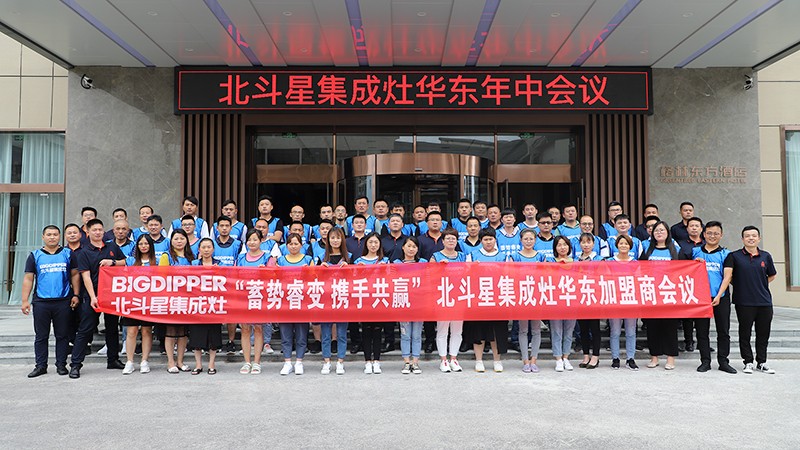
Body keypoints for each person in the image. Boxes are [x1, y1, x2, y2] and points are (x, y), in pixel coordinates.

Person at [715, 226, 777, 374]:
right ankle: (748, 361)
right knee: (745, 334)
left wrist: (759, 284)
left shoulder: (766, 256)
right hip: (744, 302)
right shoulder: (734, 256)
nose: (751, 238)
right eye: (747, 236)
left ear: (759, 238)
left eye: (754, 236)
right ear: (742, 239)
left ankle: (761, 362)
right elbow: (729, 277)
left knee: (763, 334)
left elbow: (772, 275)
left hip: (764, 302)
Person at [69, 218, 127, 379]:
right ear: (87, 232)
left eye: (100, 229)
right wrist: (93, 297)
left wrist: (112, 262)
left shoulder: (112, 246)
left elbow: (125, 262)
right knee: (86, 328)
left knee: (112, 328)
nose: (98, 232)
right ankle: (75, 364)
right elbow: (85, 277)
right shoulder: (84, 252)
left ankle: (113, 359)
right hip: (92, 295)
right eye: (94, 230)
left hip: (111, 293)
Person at [21, 225, 76, 378]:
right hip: (41, 302)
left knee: (62, 335)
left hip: (63, 300)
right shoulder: (35, 255)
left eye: (55, 234)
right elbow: (28, 278)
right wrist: (24, 300)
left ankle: (61, 365)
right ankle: (40, 366)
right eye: (49, 234)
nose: (52, 237)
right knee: (41, 336)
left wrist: (76, 295)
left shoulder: (68, 254)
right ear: (43, 237)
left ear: (60, 236)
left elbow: (75, 275)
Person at [693, 221, 737, 374]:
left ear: (721, 235)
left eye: (716, 233)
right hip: (700, 298)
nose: (712, 236)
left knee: (723, 330)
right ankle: (705, 361)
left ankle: (723, 361)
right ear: (704, 234)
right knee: (701, 331)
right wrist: (693, 263)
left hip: (721, 297)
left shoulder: (726, 254)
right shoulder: (695, 252)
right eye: (709, 233)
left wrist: (718, 295)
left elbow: (727, 277)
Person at [465, 228, 507, 372]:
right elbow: (466, 275)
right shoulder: (472, 256)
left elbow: (508, 275)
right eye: (485, 239)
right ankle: (479, 360)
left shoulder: (503, 256)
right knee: (479, 331)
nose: (488, 242)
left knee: (496, 331)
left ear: (495, 240)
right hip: (479, 298)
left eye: (491, 239)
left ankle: (497, 360)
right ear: (481, 241)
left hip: (498, 298)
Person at [640, 221, 680, 370]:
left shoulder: (675, 249)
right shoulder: (647, 249)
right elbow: (640, 268)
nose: (659, 233)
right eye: (656, 230)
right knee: (653, 327)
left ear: (668, 233)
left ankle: (670, 358)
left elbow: (684, 268)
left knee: (670, 327)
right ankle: (654, 357)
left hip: (669, 293)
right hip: (651, 293)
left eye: (662, 230)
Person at [235, 229, 273, 374]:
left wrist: (266, 272)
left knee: (258, 328)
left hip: (260, 297)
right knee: (245, 329)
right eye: (249, 240)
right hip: (244, 297)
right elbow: (234, 276)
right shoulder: (241, 258)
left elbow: (274, 277)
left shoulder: (267, 257)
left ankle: (257, 362)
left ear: (261, 241)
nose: (252, 242)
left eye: (255, 239)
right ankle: (246, 362)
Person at [276, 233, 314, 376]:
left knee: (301, 334)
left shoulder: (308, 259)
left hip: (302, 302)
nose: (293, 246)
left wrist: (308, 272)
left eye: (296, 243)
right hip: (285, 303)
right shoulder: (281, 260)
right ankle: (287, 362)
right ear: (286, 246)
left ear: (301, 245)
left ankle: (299, 361)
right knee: (285, 334)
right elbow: (275, 279)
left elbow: (314, 279)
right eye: (290, 244)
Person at [509, 228, 546, 373]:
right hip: (522, 296)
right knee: (523, 330)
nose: (528, 241)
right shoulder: (514, 256)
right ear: (521, 240)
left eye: (531, 239)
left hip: (536, 296)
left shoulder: (541, 256)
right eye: (525, 239)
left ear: (535, 240)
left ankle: (534, 360)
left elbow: (545, 276)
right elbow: (511, 275)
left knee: (536, 330)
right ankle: (525, 360)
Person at [158, 229, 194, 373]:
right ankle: (170, 362)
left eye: (182, 238)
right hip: (171, 298)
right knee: (171, 332)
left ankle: (180, 361)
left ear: (186, 240)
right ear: (171, 241)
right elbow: (161, 278)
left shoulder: (191, 257)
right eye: (176, 239)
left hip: (188, 299)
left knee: (183, 332)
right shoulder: (166, 256)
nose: (179, 241)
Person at [120, 235, 156, 375]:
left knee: (146, 331)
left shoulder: (157, 261)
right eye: (141, 244)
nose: (143, 246)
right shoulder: (130, 261)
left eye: (146, 243)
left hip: (149, 301)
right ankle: (130, 361)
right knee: (131, 331)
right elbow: (117, 267)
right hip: (133, 301)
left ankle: (144, 360)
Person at [354, 232, 389, 374]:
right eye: (370, 242)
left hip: (379, 299)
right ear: (366, 244)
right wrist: (359, 271)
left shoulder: (385, 260)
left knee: (377, 331)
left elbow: (391, 279)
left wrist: (385, 269)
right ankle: (367, 361)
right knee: (366, 330)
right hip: (365, 300)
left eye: (376, 242)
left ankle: (377, 361)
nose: (373, 245)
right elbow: (353, 280)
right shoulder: (358, 261)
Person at [431, 229, 465, 373]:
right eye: (448, 238)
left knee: (457, 330)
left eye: (453, 238)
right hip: (442, 297)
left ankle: (454, 358)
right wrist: (438, 268)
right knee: (442, 329)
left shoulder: (463, 256)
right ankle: (443, 359)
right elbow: (429, 275)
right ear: (443, 241)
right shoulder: (436, 256)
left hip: (459, 297)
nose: (451, 241)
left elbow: (469, 273)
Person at [187, 238, 222, 375]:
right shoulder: (194, 264)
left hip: (214, 303)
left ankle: (211, 364)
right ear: (199, 249)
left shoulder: (220, 264)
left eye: (209, 247)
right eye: (203, 247)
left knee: (213, 336)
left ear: (213, 249)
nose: (206, 250)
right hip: (198, 303)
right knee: (197, 335)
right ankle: (198, 365)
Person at [318, 227, 350, 375]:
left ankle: (340, 361)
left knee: (342, 333)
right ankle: (326, 361)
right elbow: (313, 279)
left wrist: (349, 268)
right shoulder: (322, 258)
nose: (335, 240)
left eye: (338, 238)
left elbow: (357, 278)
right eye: (332, 238)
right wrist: (319, 269)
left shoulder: (349, 257)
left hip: (343, 299)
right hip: (326, 300)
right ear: (328, 240)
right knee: (326, 333)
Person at [606, 234, 639, 371]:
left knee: (631, 331)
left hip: (631, 300)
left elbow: (639, 280)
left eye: (626, 243)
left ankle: (630, 358)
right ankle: (615, 358)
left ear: (630, 246)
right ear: (617, 245)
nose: (623, 246)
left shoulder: (635, 263)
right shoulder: (610, 262)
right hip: (615, 300)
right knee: (615, 331)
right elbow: (606, 279)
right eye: (621, 243)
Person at [395, 236, 425, 374]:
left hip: (419, 304)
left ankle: (415, 362)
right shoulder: (396, 263)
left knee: (417, 335)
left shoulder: (423, 263)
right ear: (403, 247)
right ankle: (407, 362)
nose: (411, 249)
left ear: (417, 249)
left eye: (414, 246)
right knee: (405, 335)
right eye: (409, 246)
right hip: (403, 303)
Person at [546, 236, 576, 372]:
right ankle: (558, 358)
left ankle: (566, 357)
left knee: (569, 331)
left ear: (569, 247)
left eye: (565, 244)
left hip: (571, 301)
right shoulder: (550, 262)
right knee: (556, 331)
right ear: (555, 248)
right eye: (559, 245)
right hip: (556, 301)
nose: (562, 247)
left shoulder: (576, 263)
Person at [678, 216, 705, 352]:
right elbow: (679, 263)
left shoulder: (707, 244)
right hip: (687, 283)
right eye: (691, 226)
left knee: (701, 315)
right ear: (687, 229)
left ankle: (702, 342)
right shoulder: (681, 244)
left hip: (703, 284)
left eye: (697, 226)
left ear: (701, 229)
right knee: (687, 316)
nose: (694, 228)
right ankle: (688, 341)